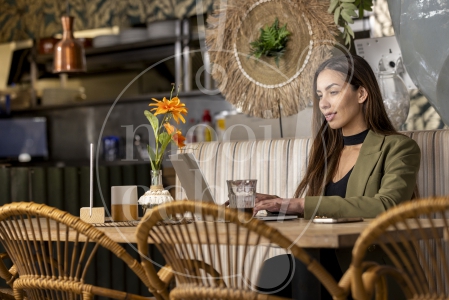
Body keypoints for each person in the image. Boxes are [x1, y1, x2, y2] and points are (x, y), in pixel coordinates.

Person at [254, 54, 421, 299]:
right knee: (274, 271)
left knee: (289, 272)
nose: (323, 103)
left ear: (361, 94)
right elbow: (319, 216)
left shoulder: (398, 148)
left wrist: (299, 204)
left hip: (370, 271)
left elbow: (387, 205)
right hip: (322, 261)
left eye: (333, 92)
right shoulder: (326, 152)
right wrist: (278, 205)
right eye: (320, 95)